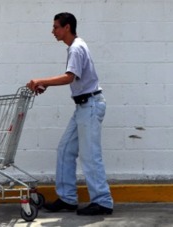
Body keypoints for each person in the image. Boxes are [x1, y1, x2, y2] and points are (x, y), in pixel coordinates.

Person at [26, 12, 114, 216]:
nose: (53, 31)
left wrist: (42, 81)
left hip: (90, 105)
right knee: (65, 149)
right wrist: (46, 84)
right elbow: (72, 79)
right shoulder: (76, 46)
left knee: (90, 155)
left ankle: (103, 201)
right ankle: (67, 198)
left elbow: (69, 77)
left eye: (56, 27)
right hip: (84, 106)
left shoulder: (76, 48)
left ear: (67, 28)